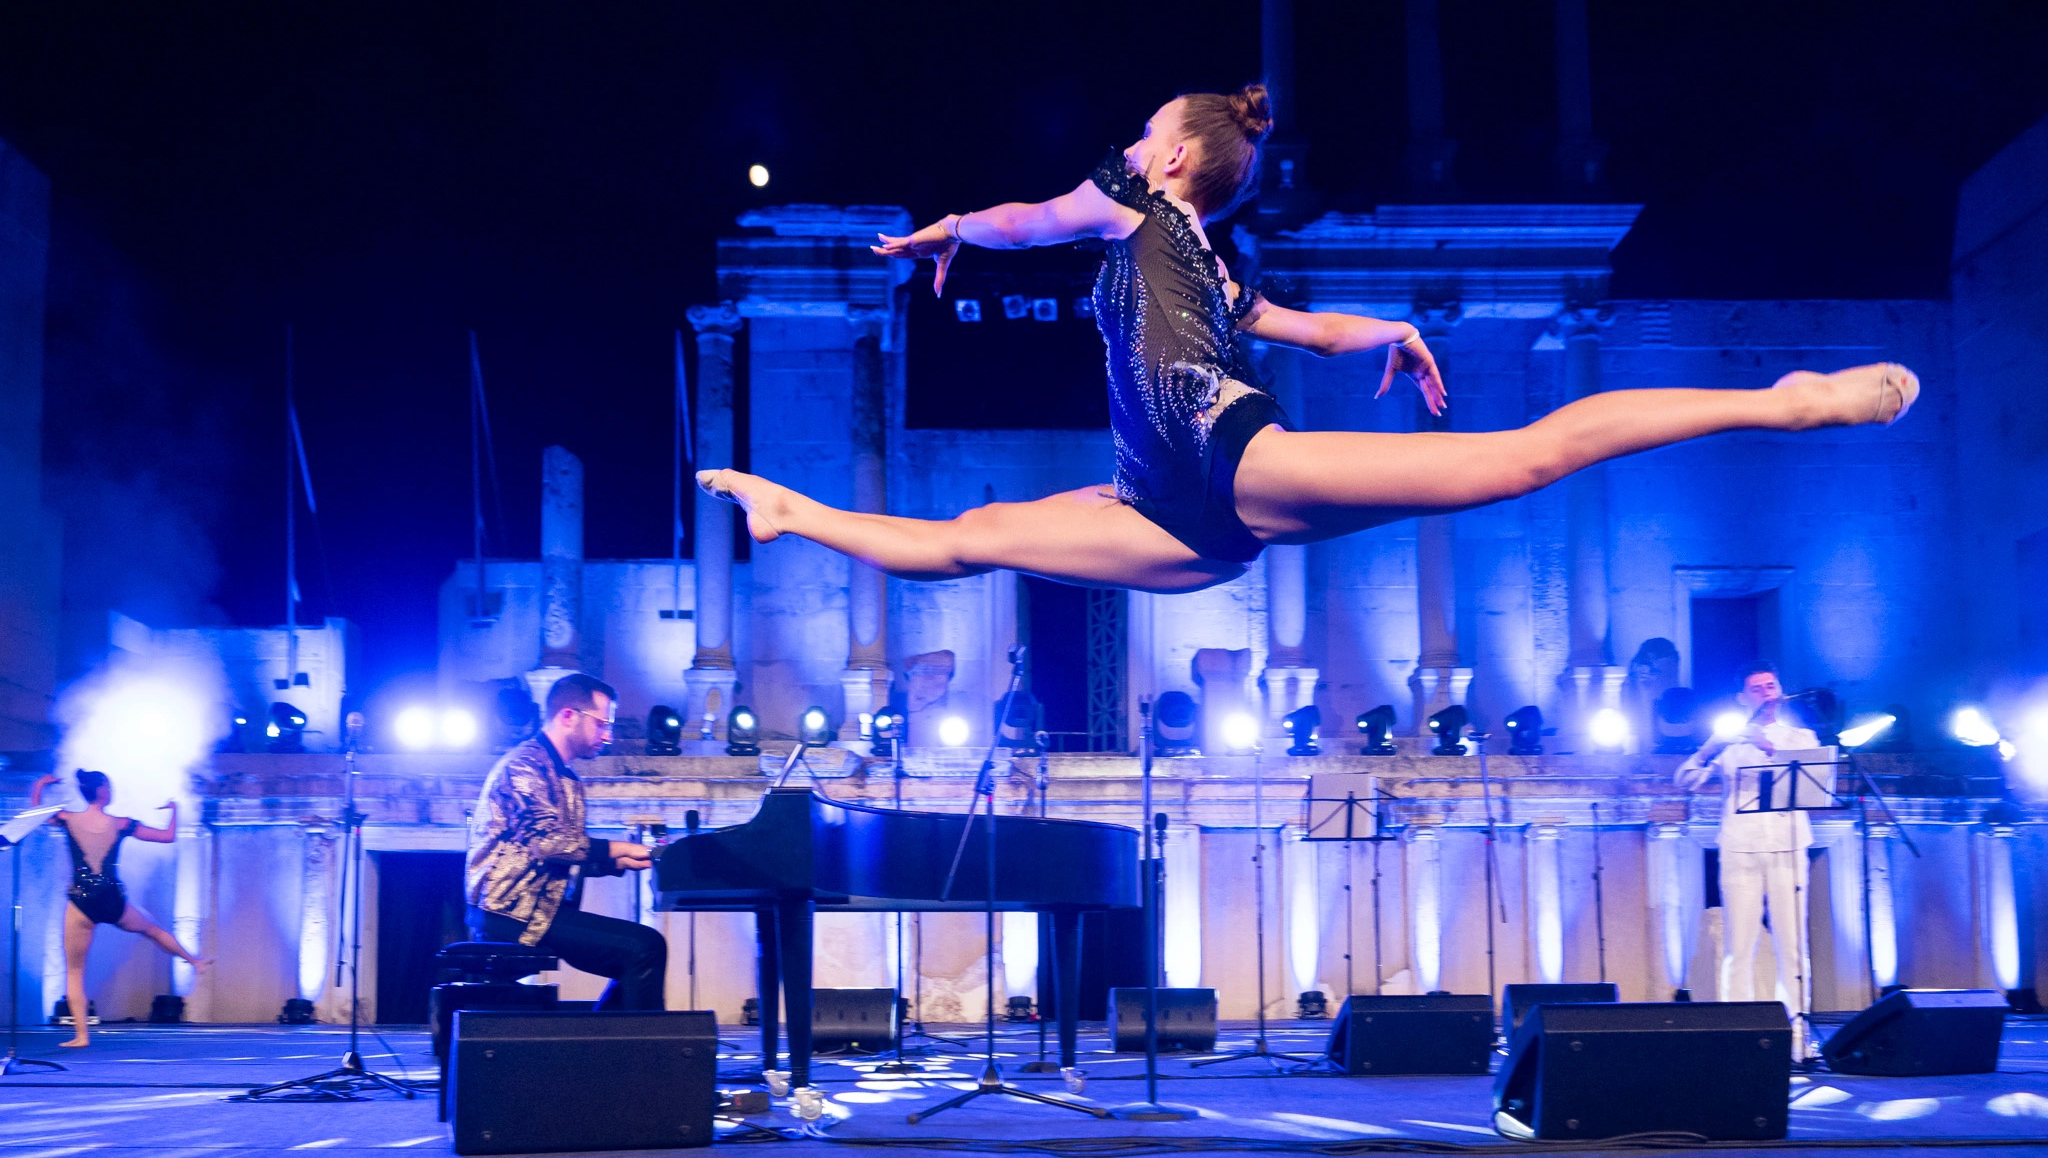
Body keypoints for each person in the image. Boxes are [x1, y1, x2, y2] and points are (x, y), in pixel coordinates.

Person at [697, 85, 1920, 593]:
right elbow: (1311, 326)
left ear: (1171, 158)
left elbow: (1027, 220)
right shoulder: (1194, 261)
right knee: (969, 544)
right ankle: (790, 514)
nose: (1124, 151)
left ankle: (1785, 400)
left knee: (1521, 458)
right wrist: (1385, 324)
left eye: (1139, 137)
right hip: (1168, 512)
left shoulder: (1139, 207)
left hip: (1227, 462)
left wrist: (948, 229)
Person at [465, 672, 666, 1009]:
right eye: (602, 724)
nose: (609, 735)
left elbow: (561, 855)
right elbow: (547, 842)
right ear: (569, 716)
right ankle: (631, 1056)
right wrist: (616, 848)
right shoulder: (525, 765)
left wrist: (615, 862)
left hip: (540, 909)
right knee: (644, 948)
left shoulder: (566, 777)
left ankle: (606, 1051)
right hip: (509, 912)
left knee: (641, 949)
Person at [1676, 662, 1822, 1051]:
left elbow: (1817, 782)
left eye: (1771, 685)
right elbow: (1685, 781)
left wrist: (1769, 747)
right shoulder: (1730, 742)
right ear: (1743, 698)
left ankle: (1796, 1037)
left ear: (1782, 691)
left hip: (1788, 847)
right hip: (1740, 848)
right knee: (1738, 947)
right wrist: (1710, 747)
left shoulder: (1799, 736)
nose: (1766, 692)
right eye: (1756, 688)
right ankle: (1736, 1037)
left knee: (1792, 945)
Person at [26, 768, 207, 1049]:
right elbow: (167, 836)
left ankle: (82, 1036)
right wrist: (174, 810)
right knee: (152, 929)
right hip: (112, 900)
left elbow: (35, 816)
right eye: (108, 786)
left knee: (74, 971)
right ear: (102, 791)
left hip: (81, 901)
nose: (111, 791)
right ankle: (194, 961)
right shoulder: (120, 823)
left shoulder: (68, 819)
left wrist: (40, 784)